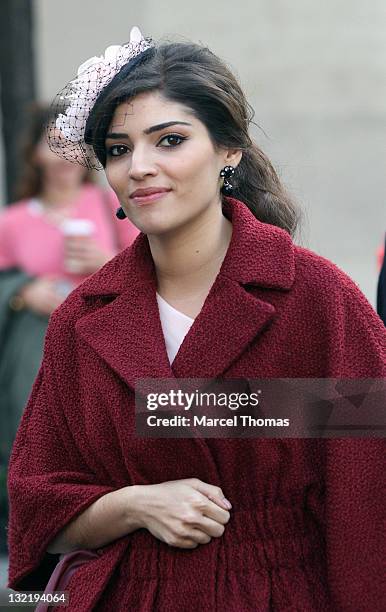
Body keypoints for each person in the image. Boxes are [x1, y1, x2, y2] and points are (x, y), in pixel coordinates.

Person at [7, 27, 386, 611]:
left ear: (229, 150)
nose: (139, 167)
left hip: (282, 592)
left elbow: (367, 501)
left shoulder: (319, 300)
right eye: (117, 149)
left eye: (170, 140)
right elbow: (36, 508)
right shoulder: (82, 320)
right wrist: (133, 503)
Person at [0, 105, 138, 552]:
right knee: (36, 438)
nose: (62, 154)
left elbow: (154, 269)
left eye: (72, 142)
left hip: (101, 344)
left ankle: (102, 535)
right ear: (34, 152)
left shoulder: (113, 205)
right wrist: (23, 292)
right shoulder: (12, 221)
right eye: (51, 141)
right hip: (35, 352)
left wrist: (105, 263)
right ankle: (37, 541)